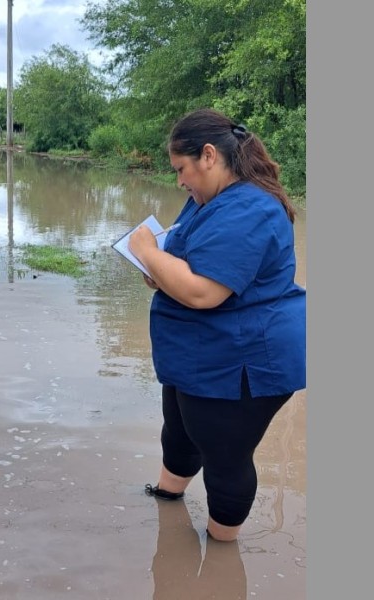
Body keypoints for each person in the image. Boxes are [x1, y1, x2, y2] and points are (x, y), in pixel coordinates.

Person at [128, 108, 306, 542]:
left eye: (181, 169)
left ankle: (221, 557)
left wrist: (146, 250)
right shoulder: (210, 199)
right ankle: (168, 499)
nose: (180, 182)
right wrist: (160, 269)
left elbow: (204, 292)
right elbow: (187, 263)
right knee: (181, 427)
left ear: (209, 155)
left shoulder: (252, 208)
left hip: (244, 360)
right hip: (201, 351)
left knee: (225, 456)